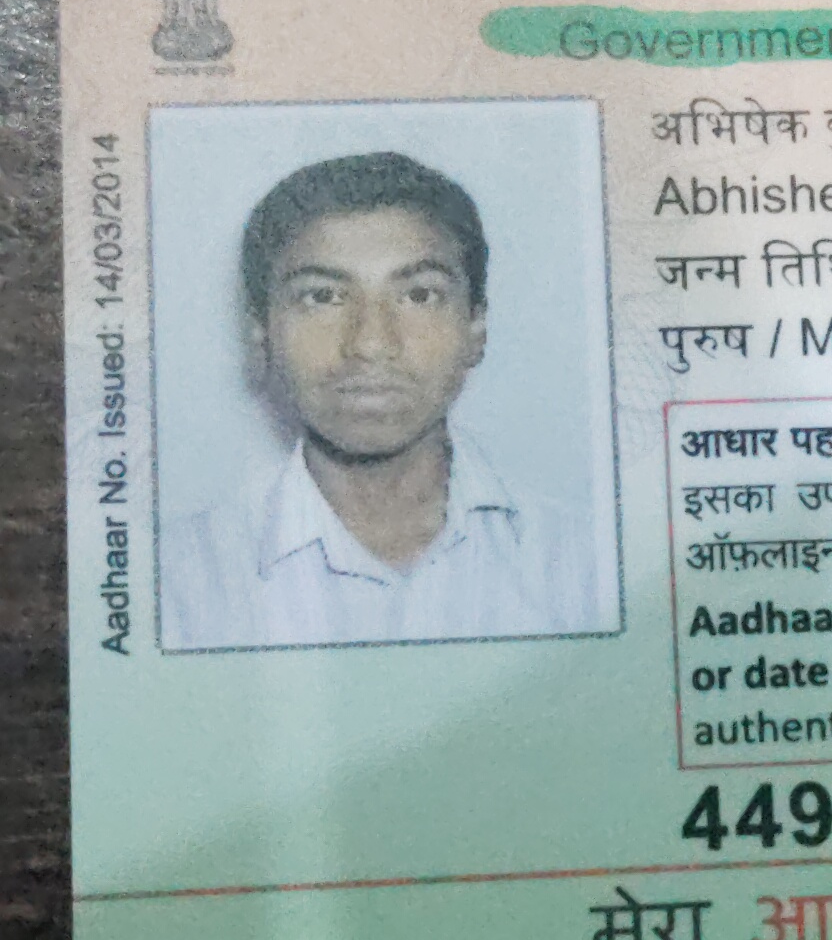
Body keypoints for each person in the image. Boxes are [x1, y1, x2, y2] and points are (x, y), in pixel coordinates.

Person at [160, 150, 606, 647]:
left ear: (476, 327)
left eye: (419, 295)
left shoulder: (590, 566)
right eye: (322, 297)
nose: (371, 343)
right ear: (261, 334)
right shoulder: (170, 586)